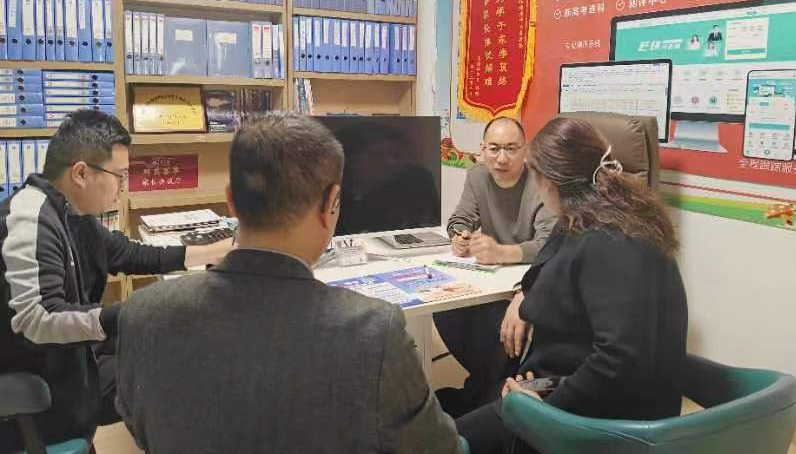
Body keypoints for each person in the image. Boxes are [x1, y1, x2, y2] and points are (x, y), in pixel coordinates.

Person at [115, 112, 461, 453]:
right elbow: (439, 448)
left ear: (231, 201)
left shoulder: (141, 314)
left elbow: (140, 427)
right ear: (332, 203)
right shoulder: (374, 330)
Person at [0, 110, 231, 448]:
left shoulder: (69, 211)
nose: (123, 187)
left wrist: (211, 251)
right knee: (178, 375)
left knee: (171, 350)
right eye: (120, 176)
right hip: (48, 384)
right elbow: (38, 321)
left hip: (73, 358)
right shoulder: (29, 220)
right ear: (81, 173)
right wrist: (135, 313)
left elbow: (127, 254)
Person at [457, 117, 688, 454]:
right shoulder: (601, 214)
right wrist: (523, 295)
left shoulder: (609, 242)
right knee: (473, 414)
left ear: (548, 182)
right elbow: (545, 264)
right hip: (572, 382)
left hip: (603, 419)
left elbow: (619, 360)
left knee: (447, 441)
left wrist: (544, 406)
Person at [434, 117, 556, 417]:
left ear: (525, 150)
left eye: (511, 148)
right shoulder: (478, 175)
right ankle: (483, 389)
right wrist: (459, 236)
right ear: (483, 150)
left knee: (495, 324)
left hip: (533, 279)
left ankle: (484, 396)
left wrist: (502, 252)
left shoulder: (540, 181)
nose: (502, 158)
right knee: (446, 309)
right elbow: (460, 217)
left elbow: (550, 244)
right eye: (494, 148)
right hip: (490, 276)